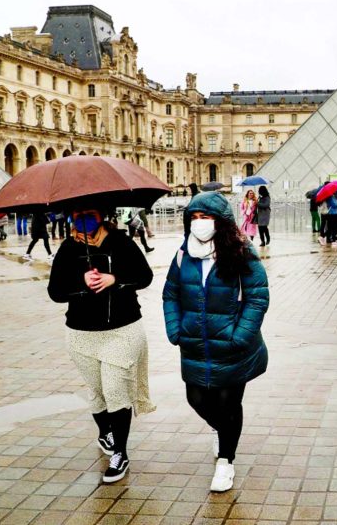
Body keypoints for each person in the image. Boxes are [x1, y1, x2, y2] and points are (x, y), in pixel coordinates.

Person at [162, 192, 269, 493]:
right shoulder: (183, 254)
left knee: (228, 403)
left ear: (220, 222)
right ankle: (222, 430)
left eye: (205, 217)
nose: (199, 223)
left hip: (232, 345)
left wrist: (241, 335)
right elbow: (170, 294)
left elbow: (257, 296)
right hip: (194, 344)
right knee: (196, 399)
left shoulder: (240, 251)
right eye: (194, 218)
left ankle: (226, 461)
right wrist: (175, 329)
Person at [48, 205, 155, 484]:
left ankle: (120, 452)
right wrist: (80, 281)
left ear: (102, 216)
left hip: (122, 328)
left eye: (90, 214)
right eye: (78, 214)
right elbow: (55, 292)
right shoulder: (68, 248)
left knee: (116, 390)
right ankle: (106, 433)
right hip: (82, 333)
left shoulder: (122, 242)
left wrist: (115, 279)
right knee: (97, 392)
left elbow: (145, 277)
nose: (83, 218)